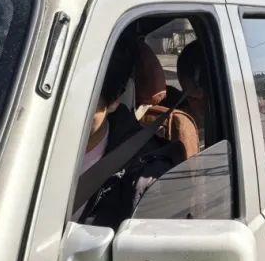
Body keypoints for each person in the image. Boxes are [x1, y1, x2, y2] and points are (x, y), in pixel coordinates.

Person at [74, 36, 184, 229]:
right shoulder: (23, 140)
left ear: (114, 101)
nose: (66, 116)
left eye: (81, 105)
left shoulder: (146, 177)